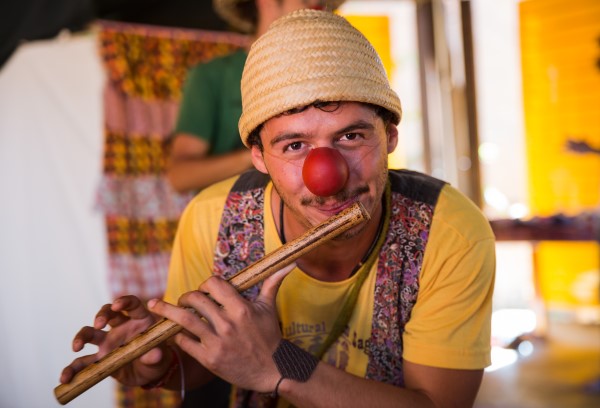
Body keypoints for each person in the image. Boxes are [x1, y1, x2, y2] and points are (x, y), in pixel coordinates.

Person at [60, 10, 496, 408]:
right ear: (259, 157)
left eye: (351, 137)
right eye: (294, 145)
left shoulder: (449, 231)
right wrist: (163, 364)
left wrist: (279, 365)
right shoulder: (211, 219)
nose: (326, 175)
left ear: (390, 139)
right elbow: (202, 364)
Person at [167, 0, 346, 194]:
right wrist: (266, 153)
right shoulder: (213, 75)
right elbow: (180, 177)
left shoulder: (328, 75)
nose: (316, 4)